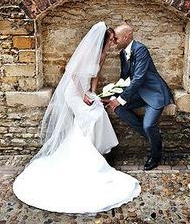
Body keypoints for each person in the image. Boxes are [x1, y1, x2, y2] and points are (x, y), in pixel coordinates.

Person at [12, 21, 141, 214]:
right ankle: (86, 157)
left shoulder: (103, 54)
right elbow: (71, 73)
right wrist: (82, 95)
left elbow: (96, 76)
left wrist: (93, 94)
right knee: (88, 117)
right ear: (103, 40)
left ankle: (96, 150)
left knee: (97, 111)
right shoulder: (88, 51)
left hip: (85, 91)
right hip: (73, 92)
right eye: (110, 40)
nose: (113, 43)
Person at [104, 24, 173, 171]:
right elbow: (125, 78)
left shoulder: (141, 49)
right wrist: (112, 94)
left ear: (126, 37)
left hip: (154, 93)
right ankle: (154, 135)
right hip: (139, 94)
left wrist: (120, 98)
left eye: (116, 38)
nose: (114, 41)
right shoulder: (123, 53)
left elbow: (138, 79)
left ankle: (156, 155)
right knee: (118, 109)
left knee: (148, 125)